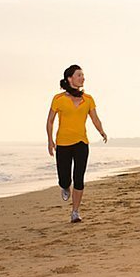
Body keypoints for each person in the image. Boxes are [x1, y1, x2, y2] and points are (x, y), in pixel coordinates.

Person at [46, 65, 107, 223]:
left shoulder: (88, 99)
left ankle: (75, 211)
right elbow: (50, 121)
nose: (83, 78)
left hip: (81, 143)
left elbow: (95, 118)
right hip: (63, 143)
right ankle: (65, 186)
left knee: (79, 177)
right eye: (79, 75)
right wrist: (50, 140)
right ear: (70, 78)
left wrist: (101, 131)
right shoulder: (58, 99)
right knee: (65, 179)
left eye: (83, 75)